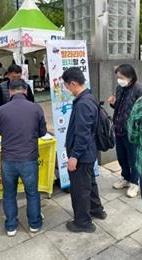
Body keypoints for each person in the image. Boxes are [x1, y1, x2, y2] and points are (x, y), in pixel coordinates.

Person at [0, 79, 47, 236]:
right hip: (29, 158)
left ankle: (11, 226)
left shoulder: (1, 110)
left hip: (8, 159)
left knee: (9, 193)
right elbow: (43, 132)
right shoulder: (36, 108)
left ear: (10, 91)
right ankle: (34, 224)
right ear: (25, 90)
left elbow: (0, 132)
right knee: (32, 192)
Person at [62, 67, 106, 233]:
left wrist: (74, 156)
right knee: (90, 184)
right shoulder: (89, 97)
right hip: (89, 153)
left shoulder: (83, 103)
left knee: (80, 189)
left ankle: (83, 222)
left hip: (83, 154)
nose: (67, 89)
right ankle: (97, 210)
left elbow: (83, 134)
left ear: (73, 83)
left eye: (67, 86)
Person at [108, 64, 142, 197]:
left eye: (121, 77)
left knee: (133, 159)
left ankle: (135, 183)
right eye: (118, 77)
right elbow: (120, 107)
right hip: (119, 129)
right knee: (121, 157)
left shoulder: (139, 90)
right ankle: (126, 178)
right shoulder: (119, 88)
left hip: (132, 132)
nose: (119, 79)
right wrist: (113, 103)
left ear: (130, 76)